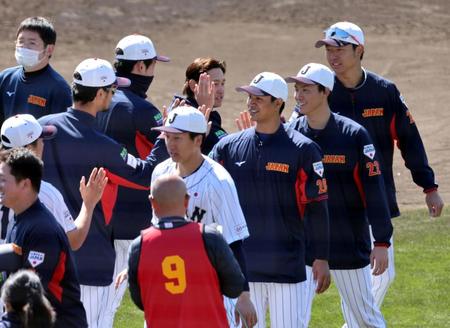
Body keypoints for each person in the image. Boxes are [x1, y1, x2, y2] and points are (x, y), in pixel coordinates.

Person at [314, 21, 444, 313]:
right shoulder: (320, 91)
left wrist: (429, 187)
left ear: (359, 50)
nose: (332, 56)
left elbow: (410, 140)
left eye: (339, 48)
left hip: (374, 200)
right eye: (328, 49)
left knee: (382, 273)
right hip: (328, 201)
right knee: (321, 277)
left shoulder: (384, 92)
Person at [38, 58, 161, 328]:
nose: (114, 95)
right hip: (89, 261)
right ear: (100, 94)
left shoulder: (43, 128)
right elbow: (145, 174)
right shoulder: (102, 146)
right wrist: (164, 137)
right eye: (112, 90)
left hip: (42, 257)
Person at [210, 72, 330, 328]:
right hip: (242, 269)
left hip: (287, 268)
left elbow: (317, 207)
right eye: (249, 97)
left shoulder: (304, 150)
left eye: (258, 98)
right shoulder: (227, 147)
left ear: (278, 103)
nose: (250, 103)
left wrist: (321, 257)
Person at [286, 63, 393, 327]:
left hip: (347, 241)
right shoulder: (292, 135)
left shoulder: (354, 135)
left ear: (325, 92)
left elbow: (374, 189)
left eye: (306, 89)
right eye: (297, 89)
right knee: (291, 318)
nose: (298, 95)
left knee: (364, 318)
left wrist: (381, 241)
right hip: (306, 245)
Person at [151, 106, 256, 327]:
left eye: (177, 138)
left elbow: (234, 242)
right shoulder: (160, 173)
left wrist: (243, 295)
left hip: (210, 287)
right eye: (167, 137)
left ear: (198, 140)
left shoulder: (218, 182)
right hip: (168, 283)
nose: (170, 144)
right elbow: (156, 231)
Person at [95, 34, 169, 327]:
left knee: (99, 300)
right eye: (152, 65)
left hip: (98, 216)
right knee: (137, 302)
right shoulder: (141, 109)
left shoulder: (102, 100)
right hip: (132, 222)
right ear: (140, 66)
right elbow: (165, 161)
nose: (153, 71)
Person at [128, 174, 245, 327]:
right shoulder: (210, 237)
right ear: (186, 200)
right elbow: (235, 287)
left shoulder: (139, 246)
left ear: (152, 202)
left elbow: (139, 300)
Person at [0, 148, 87, 327]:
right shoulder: (20, 220)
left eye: (3, 180)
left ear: (25, 184)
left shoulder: (41, 230)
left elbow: (29, 295)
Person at [0, 113, 107, 251]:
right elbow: (72, 241)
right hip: (24, 270)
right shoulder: (41, 192)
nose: (43, 143)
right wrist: (88, 204)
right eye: (40, 139)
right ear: (29, 149)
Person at [0, 17, 71, 125]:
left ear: (49, 49)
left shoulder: (59, 89)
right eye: (21, 41)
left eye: (32, 43)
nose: (24, 47)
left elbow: (62, 133)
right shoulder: (5, 78)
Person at [175, 57, 228, 154]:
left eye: (222, 83)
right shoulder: (182, 116)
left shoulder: (213, 116)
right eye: (215, 84)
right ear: (193, 86)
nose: (221, 90)